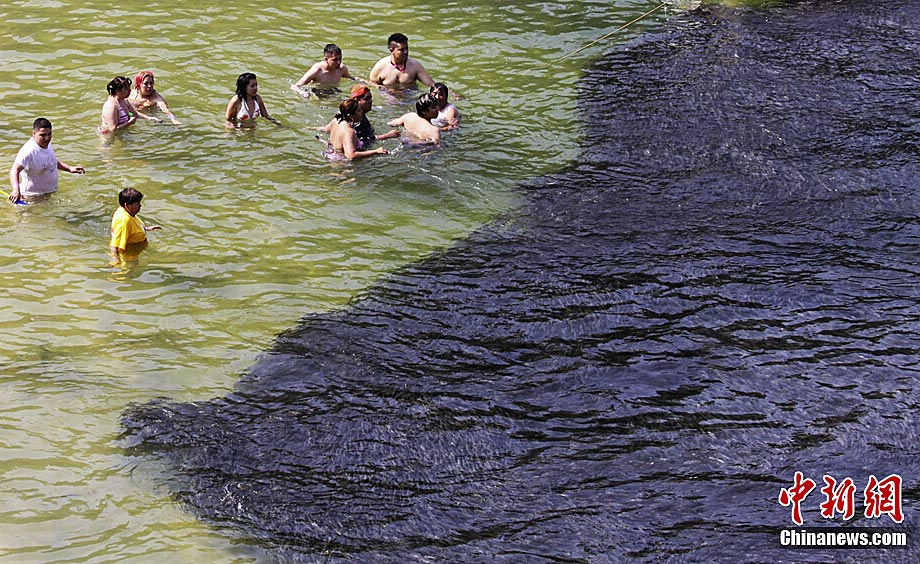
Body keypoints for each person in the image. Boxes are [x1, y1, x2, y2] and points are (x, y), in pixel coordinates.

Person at [8, 118, 84, 203]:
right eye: (43, 135)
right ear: (34, 133)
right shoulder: (28, 151)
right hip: (31, 197)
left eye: (49, 134)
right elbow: (14, 170)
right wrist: (16, 190)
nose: (47, 138)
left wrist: (69, 168)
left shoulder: (47, 144)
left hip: (48, 194)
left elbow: (52, 160)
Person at [316, 84, 399, 146]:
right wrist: (388, 135)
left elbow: (326, 128)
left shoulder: (342, 115)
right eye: (366, 99)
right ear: (356, 101)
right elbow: (364, 140)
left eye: (371, 98)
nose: (371, 101)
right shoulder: (356, 121)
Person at [369, 33, 435, 90]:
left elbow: (432, 84)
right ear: (391, 50)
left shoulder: (415, 66)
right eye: (402, 49)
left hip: (410, 97)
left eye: (407, 48)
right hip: (389, 99)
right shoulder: (380, 67)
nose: (406, 52)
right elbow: (372, 84)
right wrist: (387, 91)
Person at [109, 187, 160, 257]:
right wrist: (116, 261)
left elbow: (132, 228)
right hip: (129, 255)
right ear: (127, 205)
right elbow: (115, 245)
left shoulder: (123, 210)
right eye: (137, 204)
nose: (140, 205)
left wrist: (146, 228)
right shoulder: (124, 221)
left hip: (137, 250)